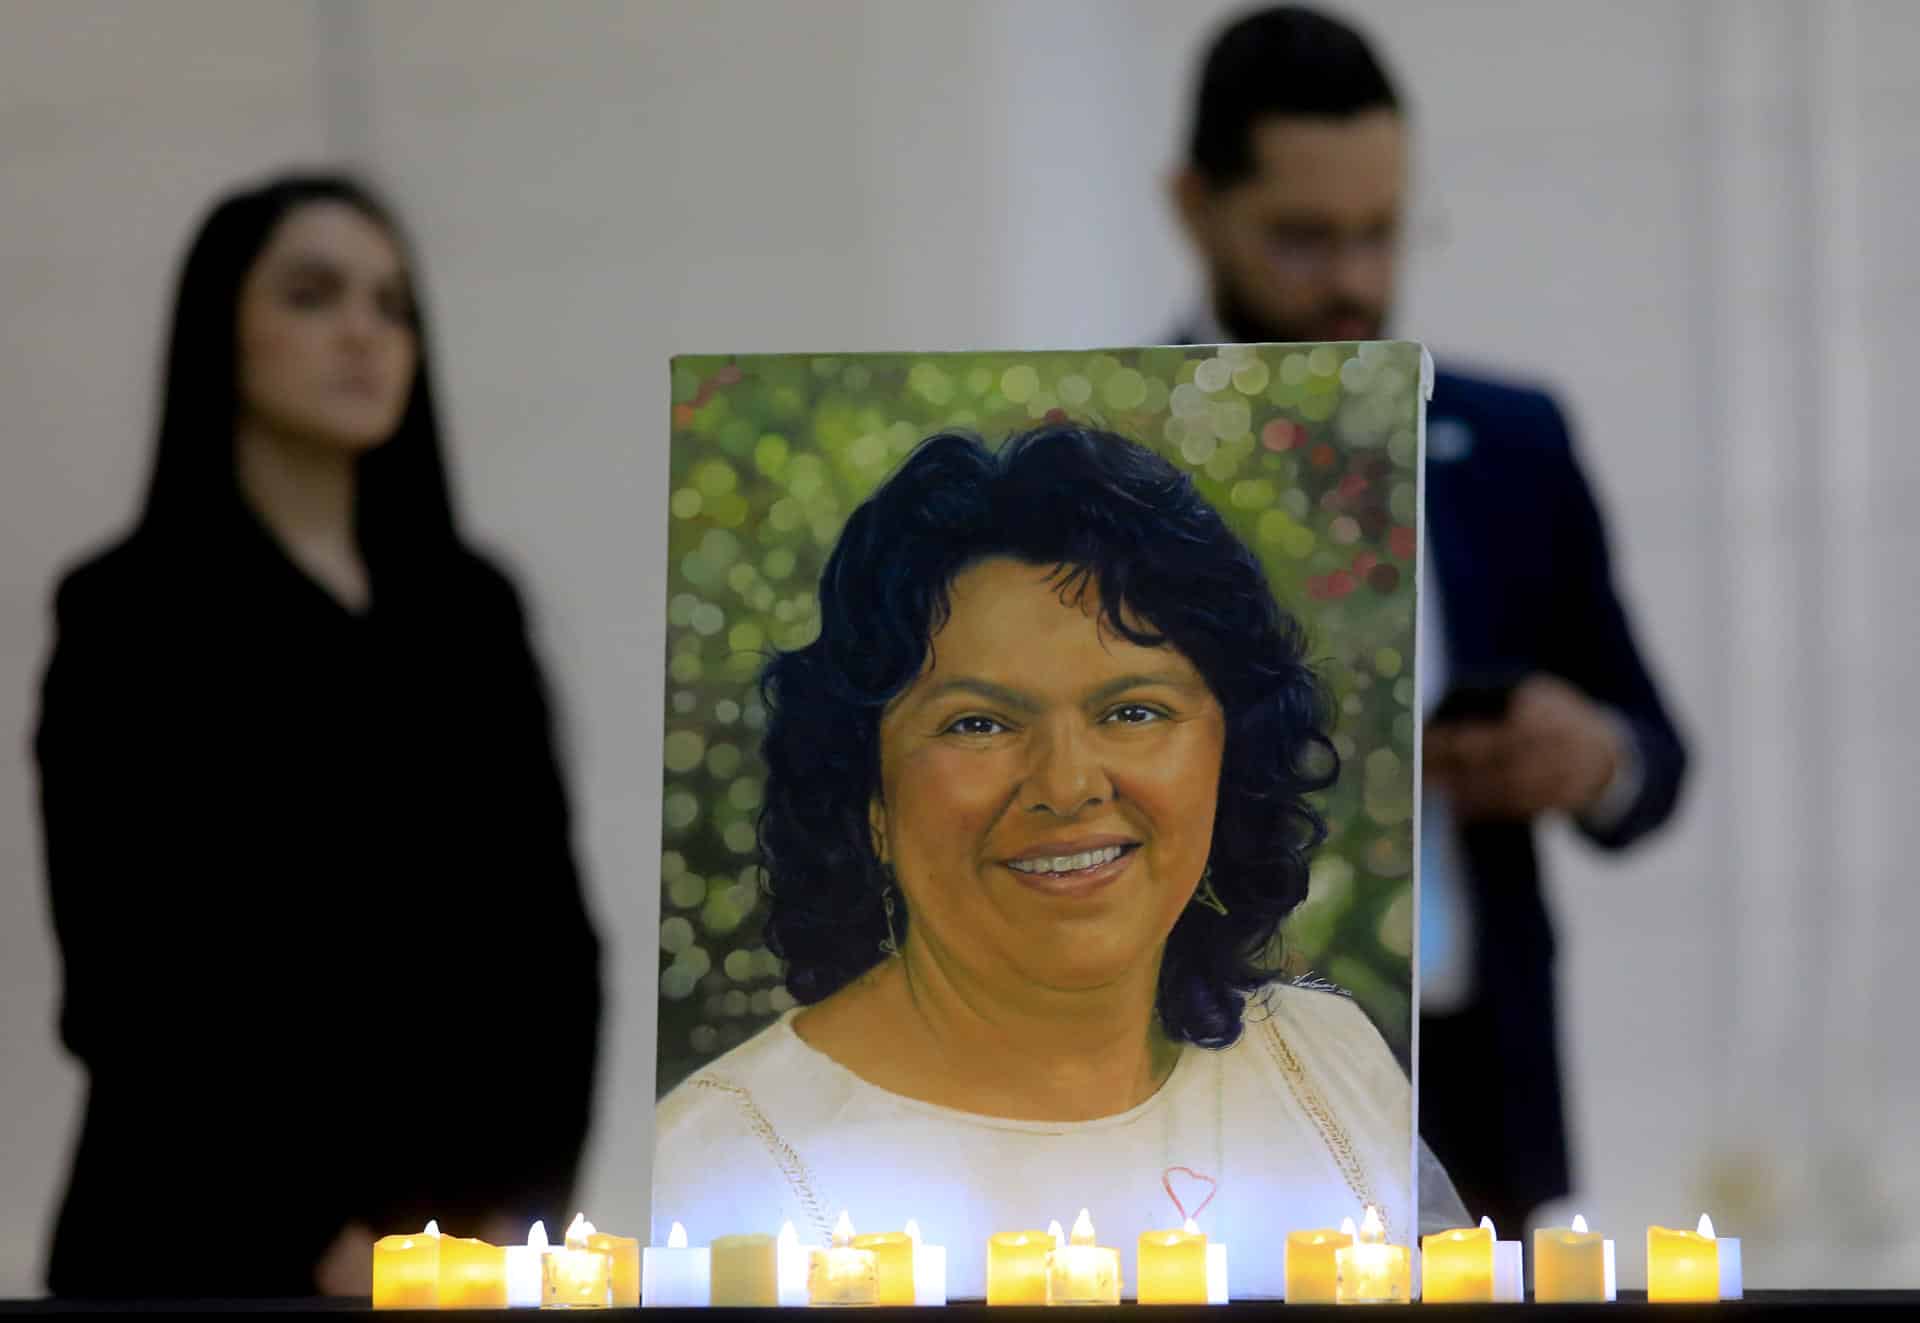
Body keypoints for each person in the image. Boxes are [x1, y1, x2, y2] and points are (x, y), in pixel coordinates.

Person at [654, 424, 1463, 1299]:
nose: (1068, 785)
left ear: (1231, 755)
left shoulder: (1324, 1063)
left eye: (1135, 711)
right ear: (868, 798)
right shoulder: (721, 1163)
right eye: (979, 723)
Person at [1167, 6, 1689, 1235]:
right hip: (1194, 1070)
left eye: (1380, 234)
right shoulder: (1100, 455)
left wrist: (1590, 755)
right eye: (1302, 239)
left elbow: (1658, 757)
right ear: (1196, 207)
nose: (1353, 280)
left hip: (1468, 1064)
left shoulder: (1510, 443)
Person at [34, 174, 602, 1296]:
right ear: (221, 333)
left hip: (458, 1249)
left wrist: (509, 1209)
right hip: (197, 1243)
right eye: (313, 294)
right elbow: (130, 974)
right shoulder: (128, 613)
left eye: (393, 305)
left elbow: (550, 943)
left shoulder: (471, 610)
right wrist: (310, 1234)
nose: (363, 333)